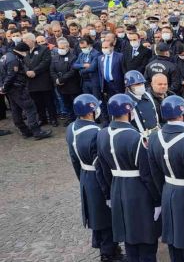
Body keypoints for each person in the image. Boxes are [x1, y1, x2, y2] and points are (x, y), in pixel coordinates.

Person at [96, 94, 161, 262]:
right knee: (146, 240)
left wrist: (109, 193)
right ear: (129, 111)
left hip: (117, 188)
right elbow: (146, 174)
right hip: (138, 191)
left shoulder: (102, 134)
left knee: (129, 238)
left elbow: (102, 169)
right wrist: (157, 200)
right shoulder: (135, 137)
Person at [147, 95, 184, 262]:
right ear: (182, 114)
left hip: (167, 191)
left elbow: (154, 173)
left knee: (173, 242)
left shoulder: (154, 137)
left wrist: (162, 192)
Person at [66, 94, 120, 262]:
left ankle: (106, 246)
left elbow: (74, 160)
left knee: (96, 215)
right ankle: (108, 254)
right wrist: (109, 191)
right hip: (97, 179)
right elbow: (101, 166)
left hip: (84, 175)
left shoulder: (71, 128)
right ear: (90, 111)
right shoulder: (97, 132)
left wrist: (82, 178)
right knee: (105, 217)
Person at [0, 42, 51, 139]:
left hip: (11, 89)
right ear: (23, 51)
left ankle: (24, 131)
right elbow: (11, 75)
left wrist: (3, 86)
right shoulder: (13, 59)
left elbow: (2, 73)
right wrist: (4, 87)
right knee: (30, 108)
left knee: (16, 110)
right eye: (26, 52)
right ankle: (37, 132)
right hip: (17, 88)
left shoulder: (5, 56)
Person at [23, 32, 57, 126]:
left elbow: (45, 62)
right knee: (37, 102)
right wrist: (26, 71)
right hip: (31, 81)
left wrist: (35, 71)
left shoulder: (44, 49)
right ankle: (42, 119)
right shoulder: (24, 51)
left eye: (25, 40)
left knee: (48, 101)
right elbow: (23, 63)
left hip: (43, 80)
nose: (24, 42)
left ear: (32, 40)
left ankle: (53, 119)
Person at [51, 37, 80, 126]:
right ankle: (70, 118)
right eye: (59, 48)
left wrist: (61, 79)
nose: (61, 50)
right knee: (66, 103)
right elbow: (52, 70)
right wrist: (56, 79)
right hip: (60, 85)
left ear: (67, 48)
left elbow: (72, 71)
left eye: (63, 48)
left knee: (74, 103)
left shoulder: (73, 57)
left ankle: (77, 119)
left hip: (71, 85)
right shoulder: (55, 57)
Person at [124, 70, 160, 139]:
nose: (141, 86)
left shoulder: (147, 95)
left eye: (142, 83)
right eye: (137, 84)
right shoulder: (126, 101)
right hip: (140, 138)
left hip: (156, 135)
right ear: (129, 87)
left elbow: (155, 114)